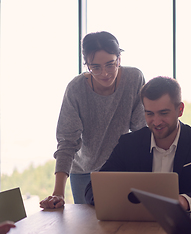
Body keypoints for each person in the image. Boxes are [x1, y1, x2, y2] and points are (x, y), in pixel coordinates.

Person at [85, 76, 191, 211]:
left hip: (184, 229)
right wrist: (117, 202)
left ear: (180, 110)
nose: (156, 122)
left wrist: (184, 201)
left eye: (163, 113)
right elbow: (93, 188)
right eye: (149, 113)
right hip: (135, 226)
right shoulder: (128, 144)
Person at [40, 31, 146, 208]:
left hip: (121, 168)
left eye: (110, 65)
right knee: (88, 229)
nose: (104, 73)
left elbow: (141, 130)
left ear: (119, 59)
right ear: (87, 65)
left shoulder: (134, 78)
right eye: (95, 67)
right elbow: (67, 142)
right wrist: (58, 193)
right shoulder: (76, 89)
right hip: (83, 171)